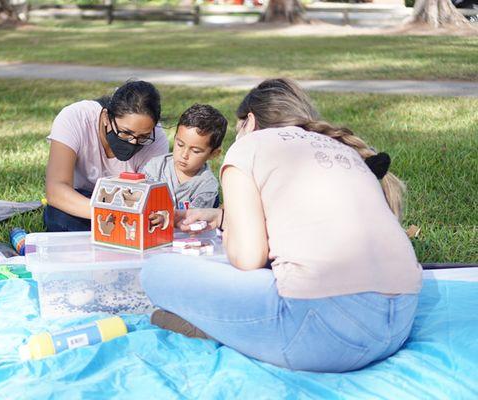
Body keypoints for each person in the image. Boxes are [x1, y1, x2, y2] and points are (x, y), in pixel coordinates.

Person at [141, 78, 422, 373]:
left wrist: (234, 229)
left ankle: (228, 330)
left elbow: (249, 258)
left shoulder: (248, 147)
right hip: (398, 324)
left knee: (156, 271)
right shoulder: (342, 148)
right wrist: (219, 216)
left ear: (248, 122)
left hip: (323, 337)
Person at [44, 80, 169, 232]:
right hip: (82, 201)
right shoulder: (75, 118)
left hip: (128, 205)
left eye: (143, 137)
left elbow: (152, 199)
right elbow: (56, 189)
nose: (133, 142)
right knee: (57, 216)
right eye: (125, 132)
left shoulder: (156, 139)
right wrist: (107, 213)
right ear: (105, 117)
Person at [141, 104, 227, 211]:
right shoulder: (156, 167)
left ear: (213, 153)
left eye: (195, 151)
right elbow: (139, 198)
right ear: (175, 137)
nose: (184, 155)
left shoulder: (206, 185)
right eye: (180, 144)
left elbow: (193, 219)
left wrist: (165, 216)